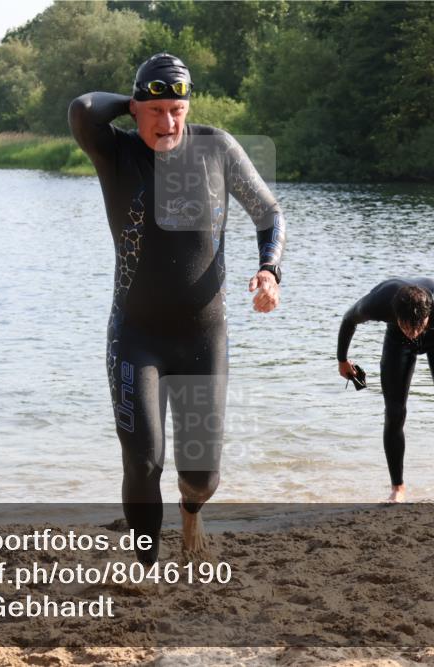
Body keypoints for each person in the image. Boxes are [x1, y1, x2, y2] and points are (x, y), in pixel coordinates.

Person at [68, 53, 286, 564]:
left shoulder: (217, 148)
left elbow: (268, 211)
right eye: (156, 110)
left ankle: (192, 511)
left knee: (202, 475)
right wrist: (134, 99)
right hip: (136, 335)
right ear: (136, 109)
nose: (168, 123)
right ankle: (145, 566)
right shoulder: (115, 152)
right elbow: (82, 108)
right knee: (144, 462)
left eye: (177, 110)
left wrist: (270, 269)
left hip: (202, 337)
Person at [337, 278, 434, 503]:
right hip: (396, 341)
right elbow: (348, 319)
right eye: (407, 327)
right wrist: (342, 360)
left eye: (417, 327)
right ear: (395, 315)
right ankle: (398, 488)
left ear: (427, 316)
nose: (413, 334)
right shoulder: (379, 303)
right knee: (394, 412)